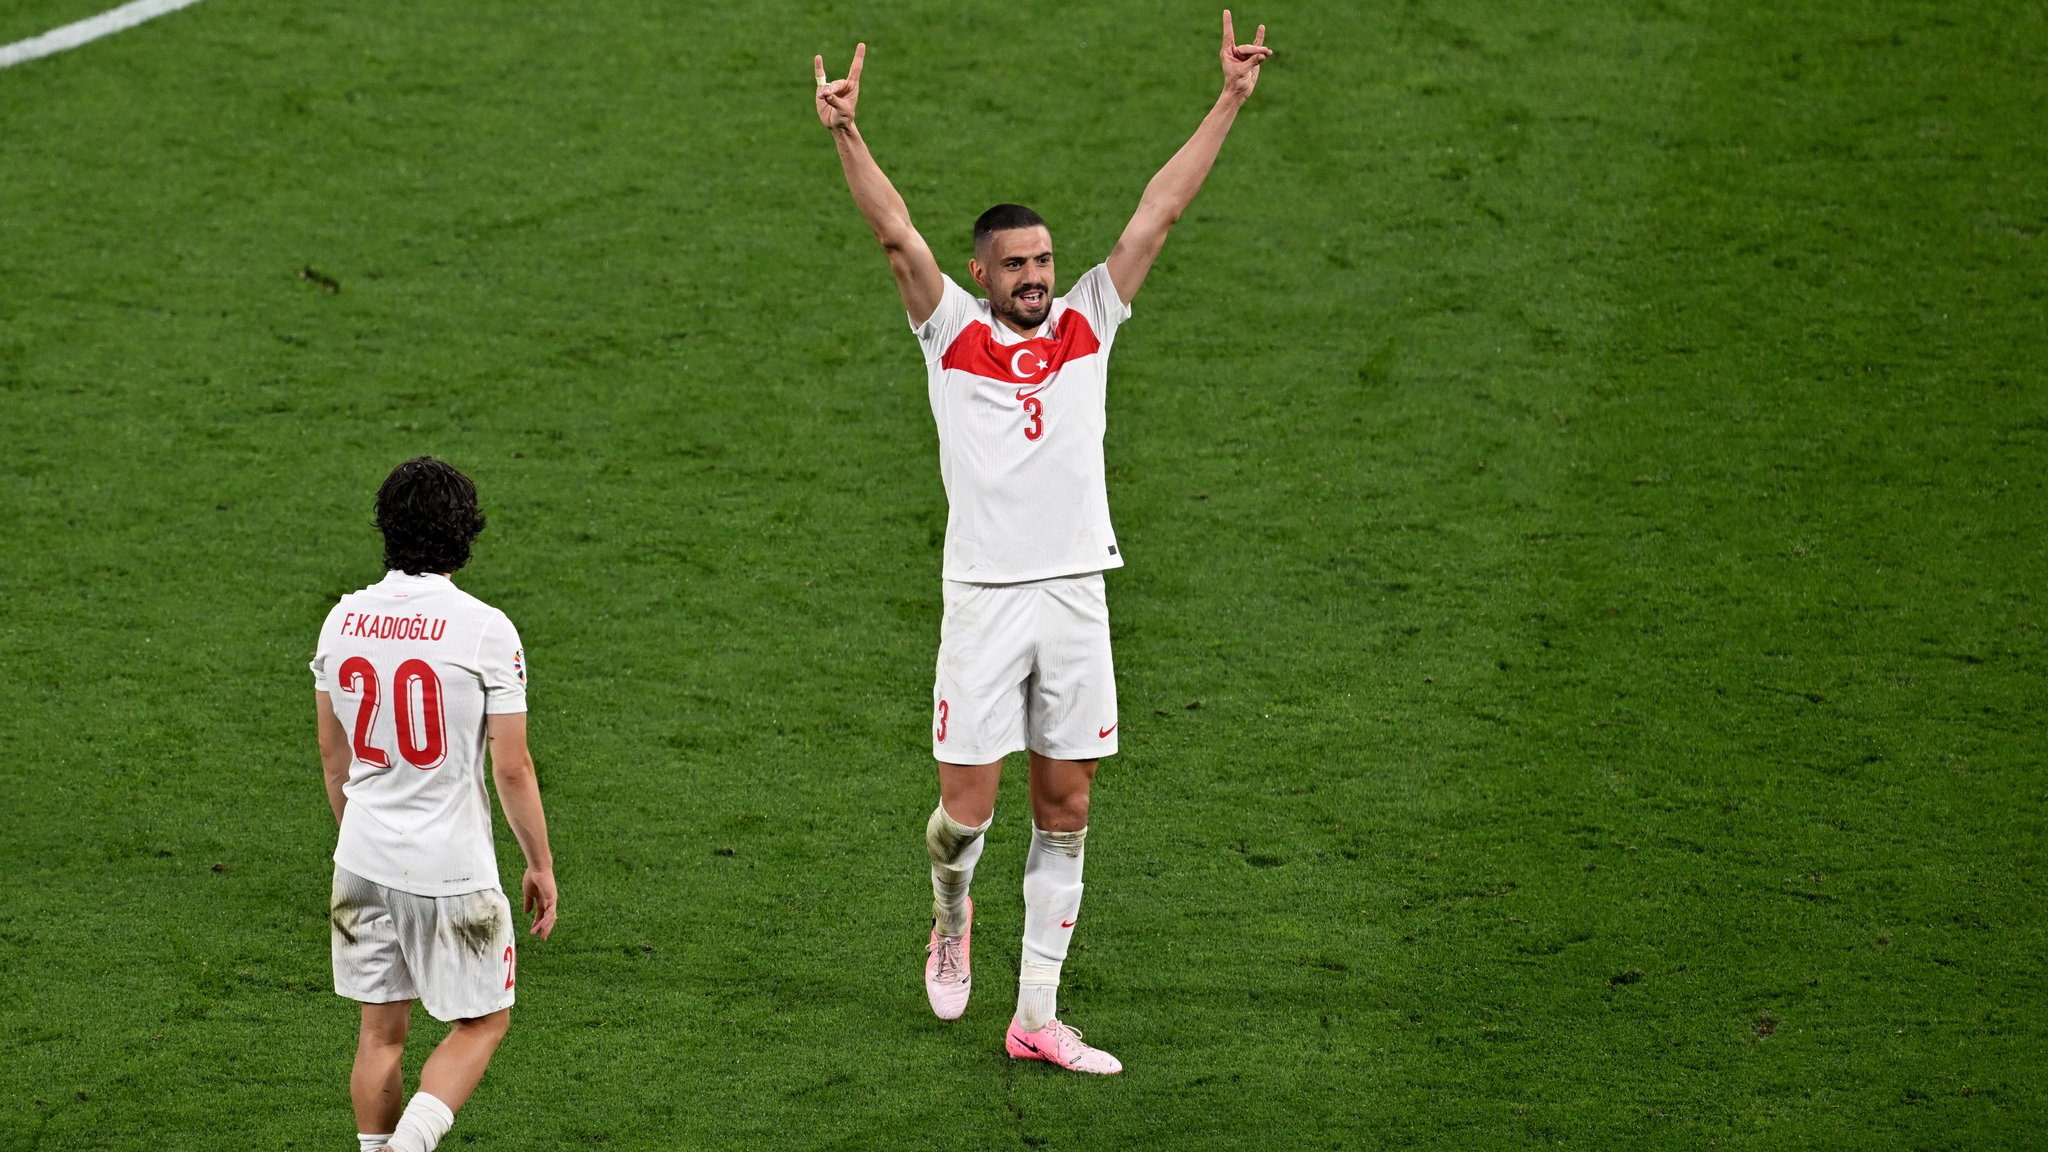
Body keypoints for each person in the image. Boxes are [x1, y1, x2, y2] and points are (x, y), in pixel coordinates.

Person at [814, 11, 1272, 1075]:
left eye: (1044, 259)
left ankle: (1035, 1015)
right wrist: (844, 132)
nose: (1035, 274)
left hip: (1074, 595)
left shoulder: (1087, 323)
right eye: (1016, 263)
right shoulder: (949, 336)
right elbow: (894, 235)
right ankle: (948, 909)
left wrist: (1228, 100)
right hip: (981, 598)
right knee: (962, 818)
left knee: (1064, 808)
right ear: (981, 273)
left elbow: (1159, 211)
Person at [310, 457, 559, 1151]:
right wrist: (540, 863)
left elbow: (334, 758)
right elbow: (512, 768)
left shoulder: (342, 619)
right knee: (484, 1022)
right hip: (451, 869)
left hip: (359, 860)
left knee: (379, 1034)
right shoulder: (484, 629)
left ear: (386, 528)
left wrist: (363, 840)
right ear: (465, 533)